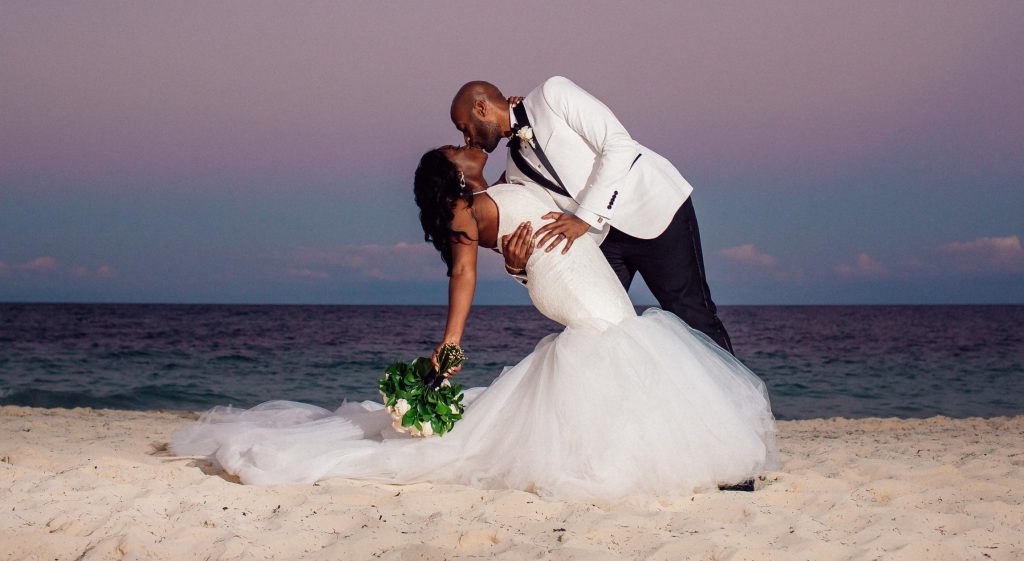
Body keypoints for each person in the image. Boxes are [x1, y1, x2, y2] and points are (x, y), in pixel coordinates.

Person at [169, 146, 776, 503]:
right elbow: (463, 278)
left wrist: (524, 260)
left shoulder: (512, 181)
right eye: (457, 149)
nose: (465, 143)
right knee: (609, 354)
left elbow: (553, 220)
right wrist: (452, 341)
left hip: (577, 276)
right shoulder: (463, 219)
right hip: (572, 293)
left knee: (625, 343)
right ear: (454, 178)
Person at [450, 76, 734, 353]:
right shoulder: (514, 173)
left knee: (693, 317)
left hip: (653, 208)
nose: (466, 138)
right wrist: (518, 268)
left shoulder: (553, 94)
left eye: (465, 127)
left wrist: (585, 217)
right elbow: (533, 227)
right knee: (599, 337)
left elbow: (619, 144)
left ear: (482, 108)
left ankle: (737, 400)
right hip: (602, 244)